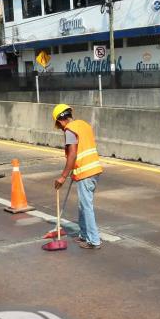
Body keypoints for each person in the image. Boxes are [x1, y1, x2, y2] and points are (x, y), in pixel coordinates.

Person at [52, 104, 102, 250]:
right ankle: (84, 234)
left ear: (60, 120)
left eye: (58, 125)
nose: (60, 128)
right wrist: (74, 172)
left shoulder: (70, 130)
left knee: (86, 206)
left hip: (85, 172)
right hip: (93, 169)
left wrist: (63, 176)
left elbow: (73, 154)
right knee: (83, 205)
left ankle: (94, 240)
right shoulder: (83, 125)